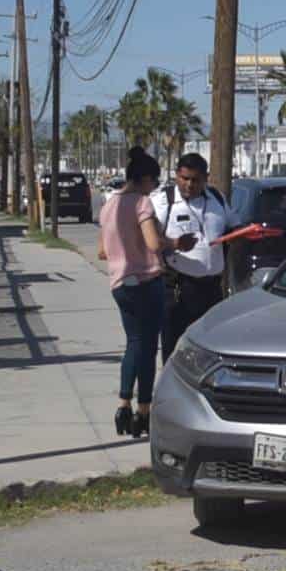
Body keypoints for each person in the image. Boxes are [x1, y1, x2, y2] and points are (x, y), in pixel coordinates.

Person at [97, 148, 170, 438]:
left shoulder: (108, 206)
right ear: (146, 179)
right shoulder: (142, 203)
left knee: (132, 344)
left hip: (119, 284)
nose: (155, 188)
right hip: (146, 282)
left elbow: (102, 251)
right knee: (149, 348)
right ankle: (143, 411)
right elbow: (154, 244)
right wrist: (175, 243)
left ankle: (122, 405)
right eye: (155, 181)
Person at [155, 152, 229, 363]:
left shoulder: (217, 198)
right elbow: (147, 240)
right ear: (177, 175)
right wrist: (174, 244)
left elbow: (233, 223)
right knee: (175, 347)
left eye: (195, 180)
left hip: (212, 288)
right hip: (179, 288)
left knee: (211, 346)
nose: (189, 184)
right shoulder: (163, 201)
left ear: (205, 178)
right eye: (184, 178)